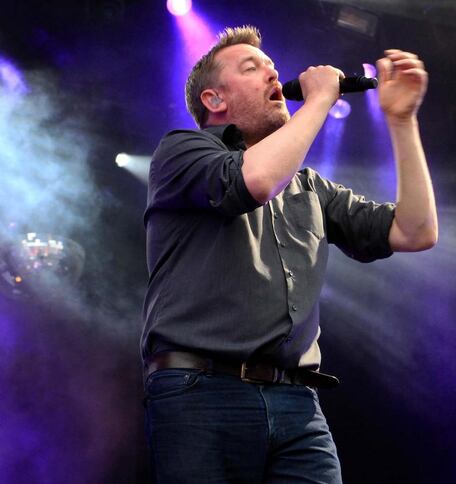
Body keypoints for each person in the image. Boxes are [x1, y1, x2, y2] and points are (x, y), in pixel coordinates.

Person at [140, 25, 437, 483]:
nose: (271, 73)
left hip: (297, 402)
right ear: (215, 100)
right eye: (251, 67)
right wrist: (320, 100)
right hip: (200, 392)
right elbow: (254, 181)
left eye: (271, 66)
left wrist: (401, 120)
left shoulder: (310, 187)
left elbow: (415, 231)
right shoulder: (181, 152)